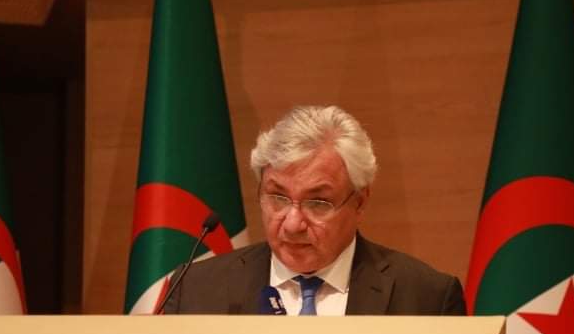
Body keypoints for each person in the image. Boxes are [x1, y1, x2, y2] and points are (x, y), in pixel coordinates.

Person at [161, 105, 466, 316]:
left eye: (318, 203)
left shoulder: (426, 297)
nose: (292, 224)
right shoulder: (196, 290)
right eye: (278, 198)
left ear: (359, 202)